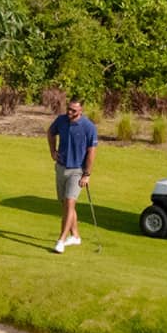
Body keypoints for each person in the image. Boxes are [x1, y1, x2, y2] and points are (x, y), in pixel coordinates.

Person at [46, 96, 97, 253]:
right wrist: (53, 151)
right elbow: (50, 132)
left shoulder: (89, 127)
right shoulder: (61, 120)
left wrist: (87, 174)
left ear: (81, 110)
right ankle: (75, 236)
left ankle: (61, 240)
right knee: (65, 204)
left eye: (73, 110)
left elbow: (91, 153)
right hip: (61, 168)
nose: (69, 112)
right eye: (68, 108)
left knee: (69, 203)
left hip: (77, 171)